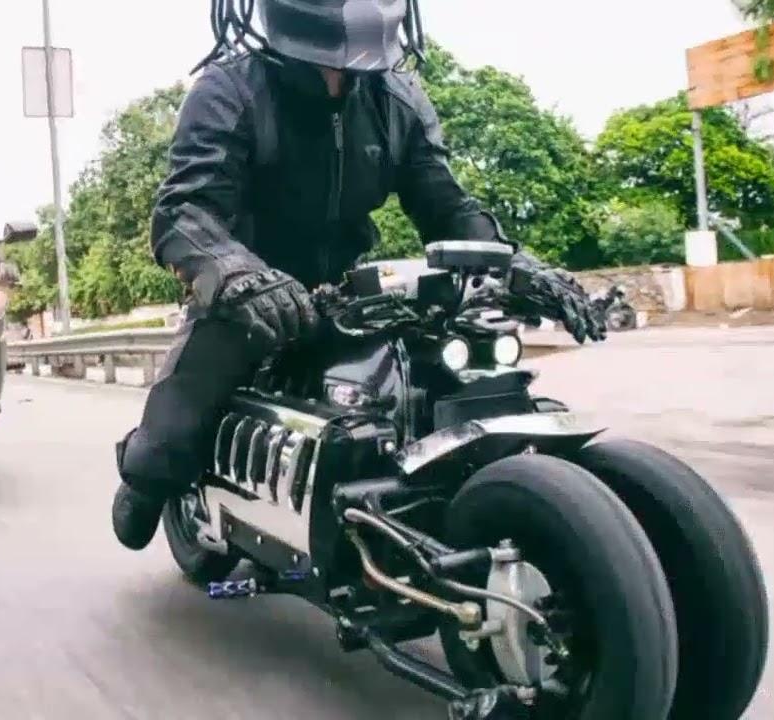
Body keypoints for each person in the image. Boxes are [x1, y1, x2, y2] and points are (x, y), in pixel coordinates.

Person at [111, 0, 606, 550]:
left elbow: (447, 205)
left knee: (448, 375)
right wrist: (234, 273)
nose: (340, 76)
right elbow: (185, 211)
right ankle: (144, 477)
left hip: (347, 293)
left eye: (352, 67)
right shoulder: (228, 90)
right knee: (171, 438)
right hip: (247, 294)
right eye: (325, 64)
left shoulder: (399, 99)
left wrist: (515, 263)